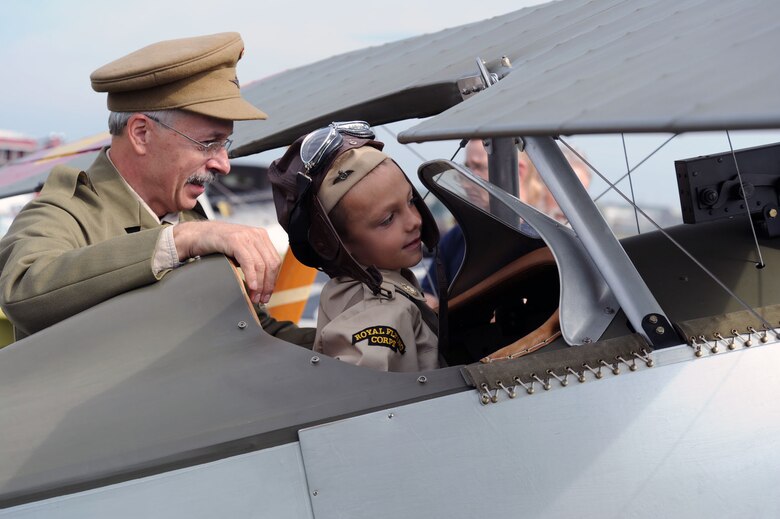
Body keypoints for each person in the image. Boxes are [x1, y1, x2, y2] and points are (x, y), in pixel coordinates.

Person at [0, 32, 313, 346]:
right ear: (141, 134)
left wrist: (346, 345)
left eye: (224, 145)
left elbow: (254, 332)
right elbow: (24, 290)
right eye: (207, 144)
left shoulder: (187, 216)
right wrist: (181, 241)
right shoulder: (65, 212)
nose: (223, 164)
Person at [268, 122, 440, 372]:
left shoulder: (368, 287)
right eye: (387, 219)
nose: (414, 221)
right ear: (337, 243)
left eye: (411, 201)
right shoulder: (379, 313)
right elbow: (365, 397)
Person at [421, 139, 590, 307]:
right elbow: (430, 298)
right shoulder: (458, 237)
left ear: (517, 170)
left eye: (478, 167)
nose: (466, 181)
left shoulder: (546, 240)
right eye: (467, 168)